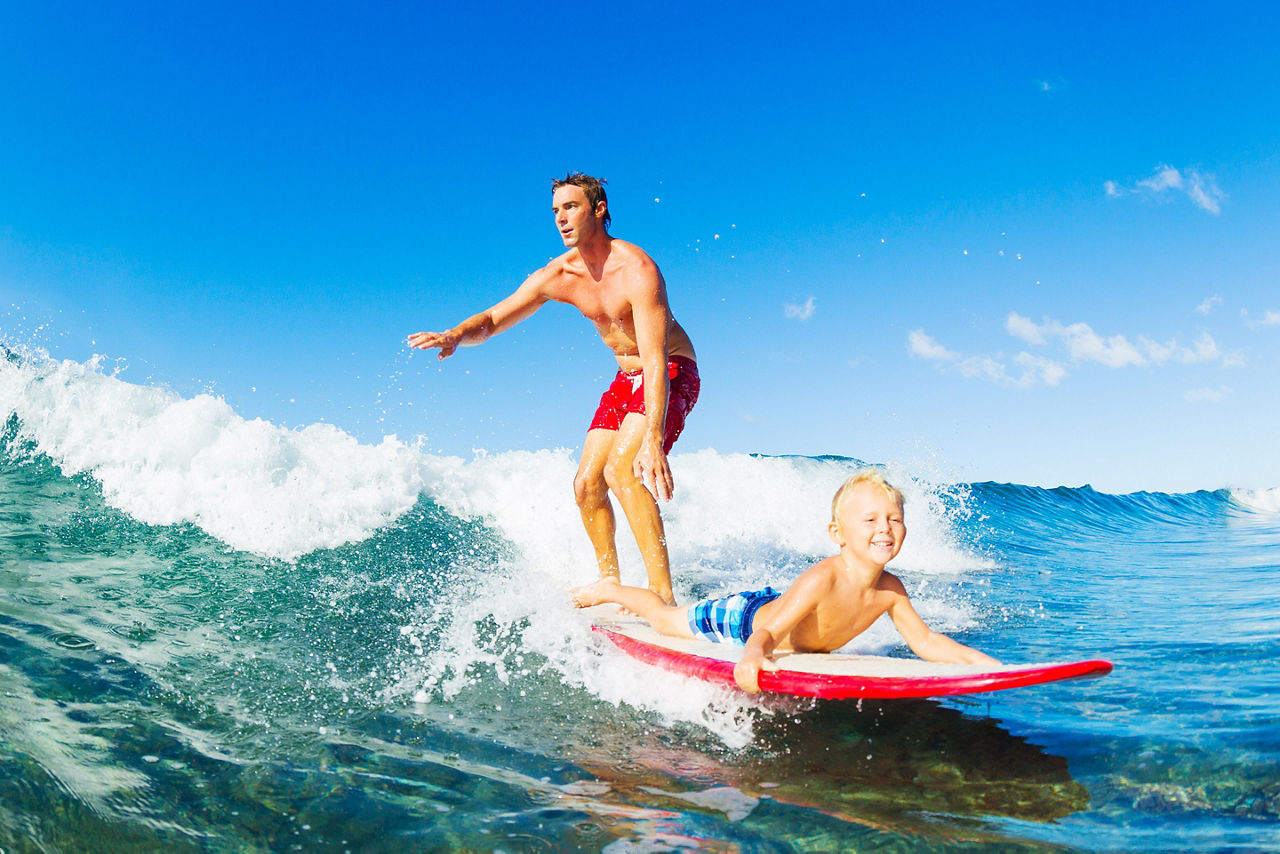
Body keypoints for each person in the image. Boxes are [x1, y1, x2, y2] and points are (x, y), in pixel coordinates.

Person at [408, 173, 697, 606]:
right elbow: (493, 319)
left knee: (622, 470)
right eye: (556, 211)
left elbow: (655, 360)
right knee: (586, 483)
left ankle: (664, 597)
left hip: (671, 371)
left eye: (572, 207)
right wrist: (455, 334)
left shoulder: (637, 270)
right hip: (625, 379)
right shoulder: (559, 274)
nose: (561, 219)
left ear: (598, 209)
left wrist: (652, 438)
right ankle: (610, 583)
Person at [571, 468, 999, 693]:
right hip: (745, 619)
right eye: (869, 519)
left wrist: (983, 665)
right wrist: (752, 658)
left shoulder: (891, 590)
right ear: (838, 534)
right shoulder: (824, 576)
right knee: (665, 621)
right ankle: (611, 589)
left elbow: (924, 642)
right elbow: (769, 630)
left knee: (674, 619)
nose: (884, 528)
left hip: (778, 606)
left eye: (894, 519)